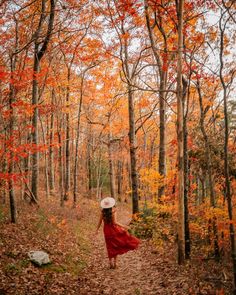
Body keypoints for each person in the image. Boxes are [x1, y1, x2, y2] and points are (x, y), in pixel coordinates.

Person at [95, 197, 140, 269]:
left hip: (106, 231)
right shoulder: (114, 211)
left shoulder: (102, 212)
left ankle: (110, 263)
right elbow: (115, 222)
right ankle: (115, 264)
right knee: (115, 245)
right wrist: (124, 226)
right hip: (113, 230)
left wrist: (96, 230)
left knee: (109, 246)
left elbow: (99, 222)